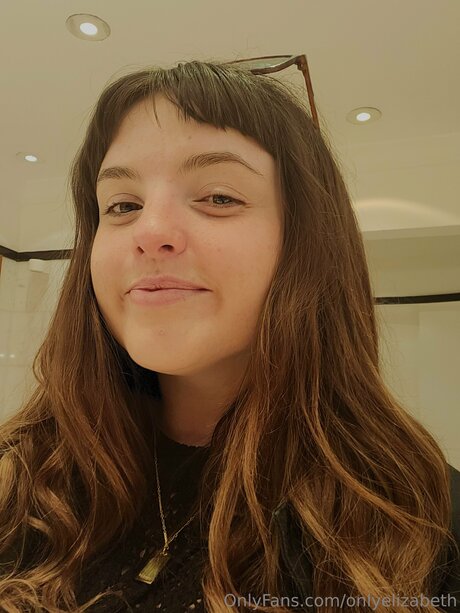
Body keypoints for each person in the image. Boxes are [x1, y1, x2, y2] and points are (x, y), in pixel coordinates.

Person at [0, 60, 458, 613]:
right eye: (122, 205)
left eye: (219, 197)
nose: (150, 231)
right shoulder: (19, 478)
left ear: (307, 244)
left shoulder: (422, 519)